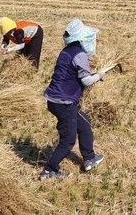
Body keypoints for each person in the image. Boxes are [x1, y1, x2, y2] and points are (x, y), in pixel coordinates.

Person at [40, 18, 108, 180]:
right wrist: (99, 75)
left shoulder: (66, 51)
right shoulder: (80, 55)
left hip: (54, 99)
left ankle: (89, 158)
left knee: (84, 124)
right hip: (64, 102)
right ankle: (49, 170)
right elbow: (85, 81)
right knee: (68, 140)